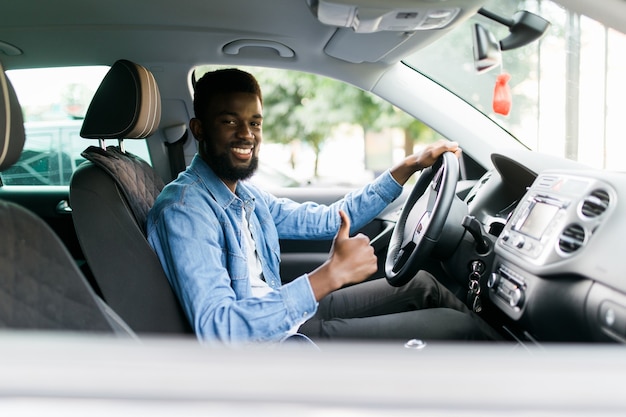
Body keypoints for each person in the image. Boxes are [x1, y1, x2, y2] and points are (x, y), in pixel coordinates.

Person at [147, 68, 500, 345]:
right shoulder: (185, 210)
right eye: (229, 121)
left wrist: (408, 166)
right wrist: (329, 275)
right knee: (457, 327)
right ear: (199, 129)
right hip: (275, 350)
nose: (247, 134)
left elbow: (330, 220)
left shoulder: (245, 196)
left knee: (422, 285)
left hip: (284, 317)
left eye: (254, 123)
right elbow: (221, 331)